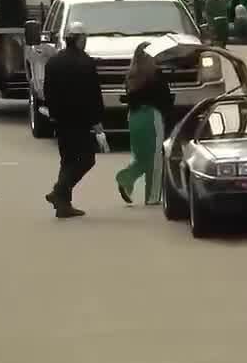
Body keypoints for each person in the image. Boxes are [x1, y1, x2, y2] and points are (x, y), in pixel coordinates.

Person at [44, 22, 105, 218]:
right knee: (87, 159)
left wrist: (53, 114)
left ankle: (63, 205)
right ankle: (59, 191)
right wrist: (96, 122)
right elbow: (93, 95)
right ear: (80, 39)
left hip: (61, 120)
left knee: (67, 160)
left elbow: (48, 91)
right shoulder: (85, 62)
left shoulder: (53, 62)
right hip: (80, 120)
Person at [114, 44, 173, 205]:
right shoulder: (155, 75)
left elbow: (131, 97)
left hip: (133, 116)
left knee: (142, 156)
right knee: (155, 158)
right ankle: (152, 196)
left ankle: (126, 178)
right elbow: (165, 99)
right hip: (151, 116)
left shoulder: (131, 76)